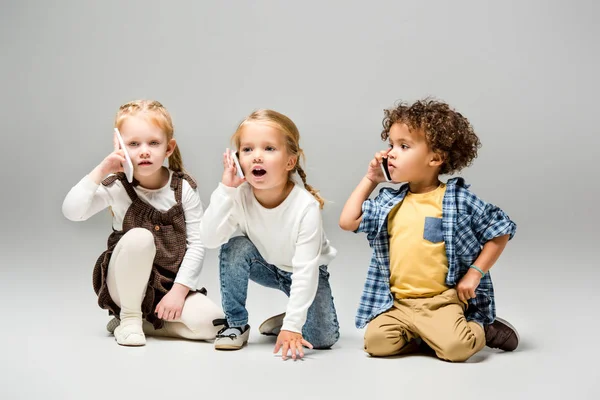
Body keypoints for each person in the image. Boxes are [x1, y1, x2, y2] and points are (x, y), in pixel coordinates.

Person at [339, 98, 519, 362]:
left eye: (403, 146)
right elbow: (348, 221)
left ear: (435, 157)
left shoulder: (456, 200)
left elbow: (501, 230)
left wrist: (474, 274)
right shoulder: (390, 202)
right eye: (390, 145)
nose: (390, 153)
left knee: (457, 349)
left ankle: (483, 328)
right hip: (398, 303)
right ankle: (426, 336)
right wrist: (371, 179)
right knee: (376, 344)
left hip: (440, 301)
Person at [62, 99, 224, 346]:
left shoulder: (183, 188)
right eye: (134, 144)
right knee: (140, 237)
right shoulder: (117, 186)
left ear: (168, 148)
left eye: (154, 143)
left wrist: (179, 292)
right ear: (121, 147)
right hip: (124, 284)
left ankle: (145, 323)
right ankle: (128, 316)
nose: (144, 151)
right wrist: (104, 167)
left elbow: (197, 244)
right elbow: (73, 211)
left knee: (212, 324)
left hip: (168, 285)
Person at [199, 109, 339, 360]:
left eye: (269, 149)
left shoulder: (305, 207)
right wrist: (225, 191)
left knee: (321, 338)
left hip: (304, 273)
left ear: (289, 161)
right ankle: (236, 324)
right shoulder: (239, 195)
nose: (257, 157)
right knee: (235, 247)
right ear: (237, 158)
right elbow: (209, 239)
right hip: (265, 265)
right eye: (248, 149)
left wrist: (292, 327)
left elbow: (306, 271)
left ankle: (289, 318)